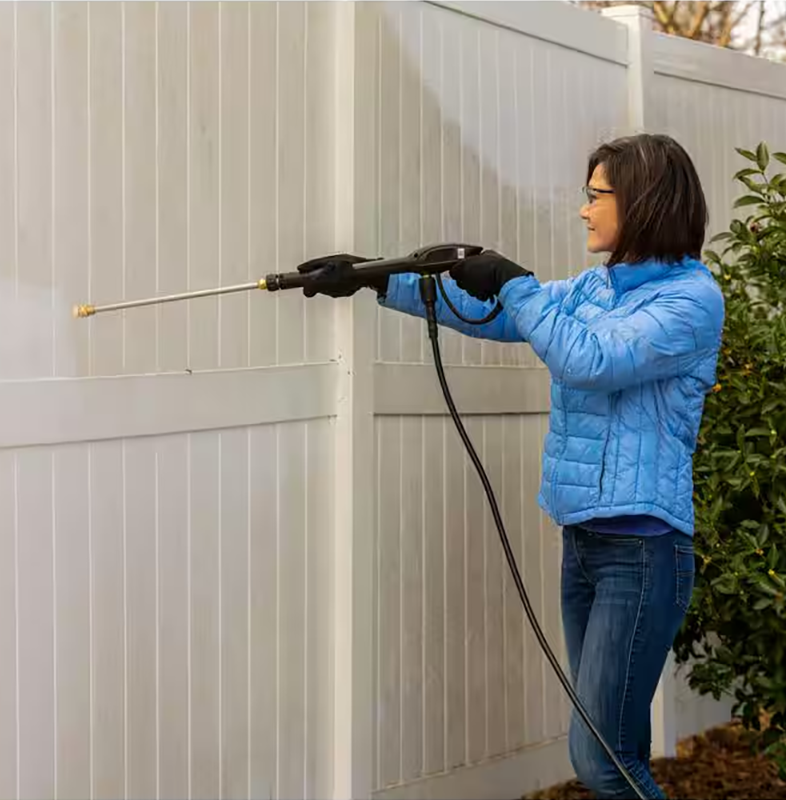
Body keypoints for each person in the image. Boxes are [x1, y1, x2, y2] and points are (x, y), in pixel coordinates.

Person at [297, 133, 724, 799]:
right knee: (617, 746)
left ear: (641, 201)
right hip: (584, 544)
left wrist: (518, 283)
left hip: (643, 554)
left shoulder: (691, 301)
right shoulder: (595, 288)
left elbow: (592, 360)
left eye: (596, 197)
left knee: (600, 759)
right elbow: (498, 314)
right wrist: (376, 277)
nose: (583, 212)